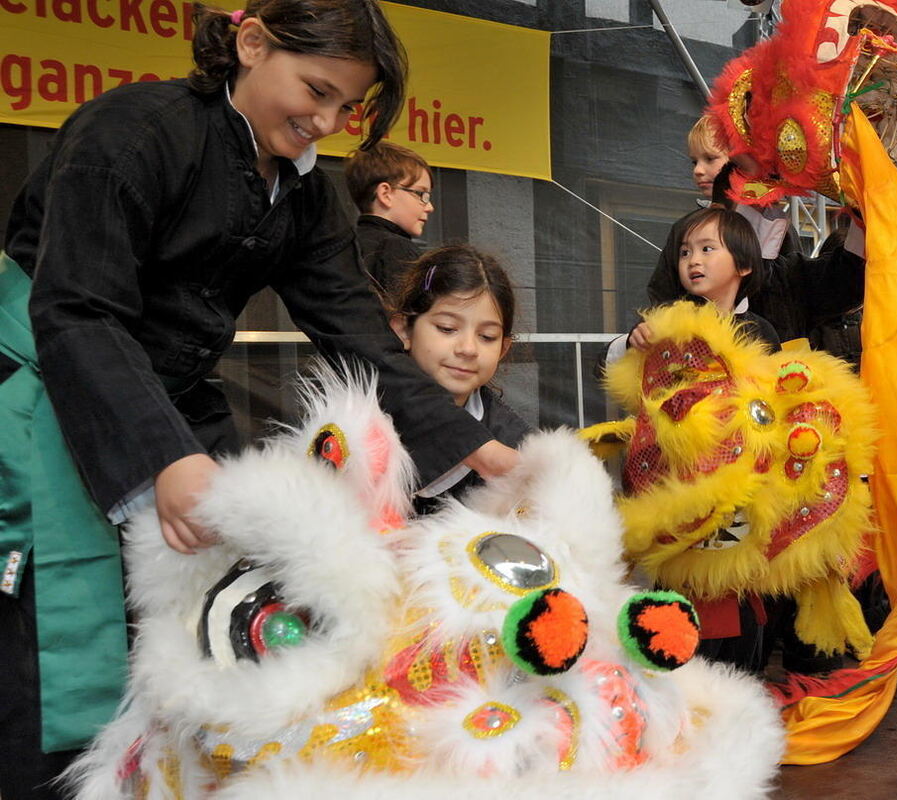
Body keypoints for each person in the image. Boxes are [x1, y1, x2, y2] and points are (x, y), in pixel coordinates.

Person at [0, 2, 516, 796]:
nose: (325, 120)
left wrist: (471, 443)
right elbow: (79, 310)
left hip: (168, 396)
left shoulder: (303, 197)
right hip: (52, 385)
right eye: (314, 90)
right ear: (249, 44)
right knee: (59, 652)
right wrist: (163, 456)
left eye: (345, 107)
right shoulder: (133, 131)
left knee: (219, 611)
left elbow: (354, 328)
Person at [388, 245, 532, 513]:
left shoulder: (516, 444)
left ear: (503, 348)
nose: (468, 348)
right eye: (447, 328)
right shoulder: (357, 422)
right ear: (404, 330)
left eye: (487, 336)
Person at [630, 206, 780, 353]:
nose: (693, 260)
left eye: (707, 249)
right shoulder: (669, 316)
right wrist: (639, 335)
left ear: (744, 265)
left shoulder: (762, 331)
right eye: (685, 253)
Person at [345, 141, 435, 299]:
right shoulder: (399, 250)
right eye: (422, 194)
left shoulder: (343, 244)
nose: (429, 207)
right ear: (385, 194)